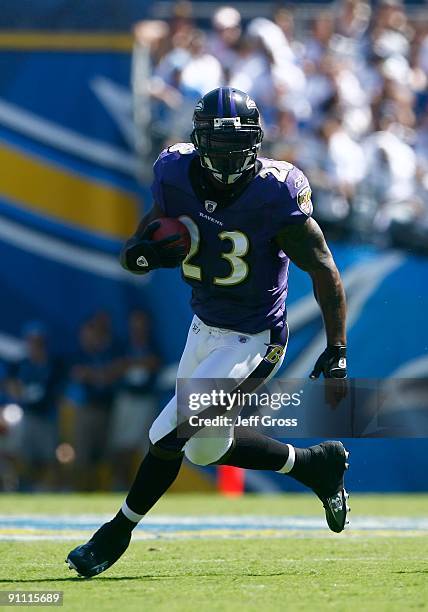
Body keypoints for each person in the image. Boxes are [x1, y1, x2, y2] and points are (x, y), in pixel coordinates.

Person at [67, 87, 349, 577]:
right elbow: (146, 237)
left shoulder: (275, 191)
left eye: (237, 142)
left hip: (256, 338)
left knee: (170, 433)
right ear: (199, 140)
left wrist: (338, 346)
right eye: (218, 143)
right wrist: (142, 253)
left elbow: (323, 267)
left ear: (256, 141)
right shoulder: (175, 172)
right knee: (206, 447)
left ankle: (115, 534)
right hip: (204, 329)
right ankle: (315, 465)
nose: (228, 153)